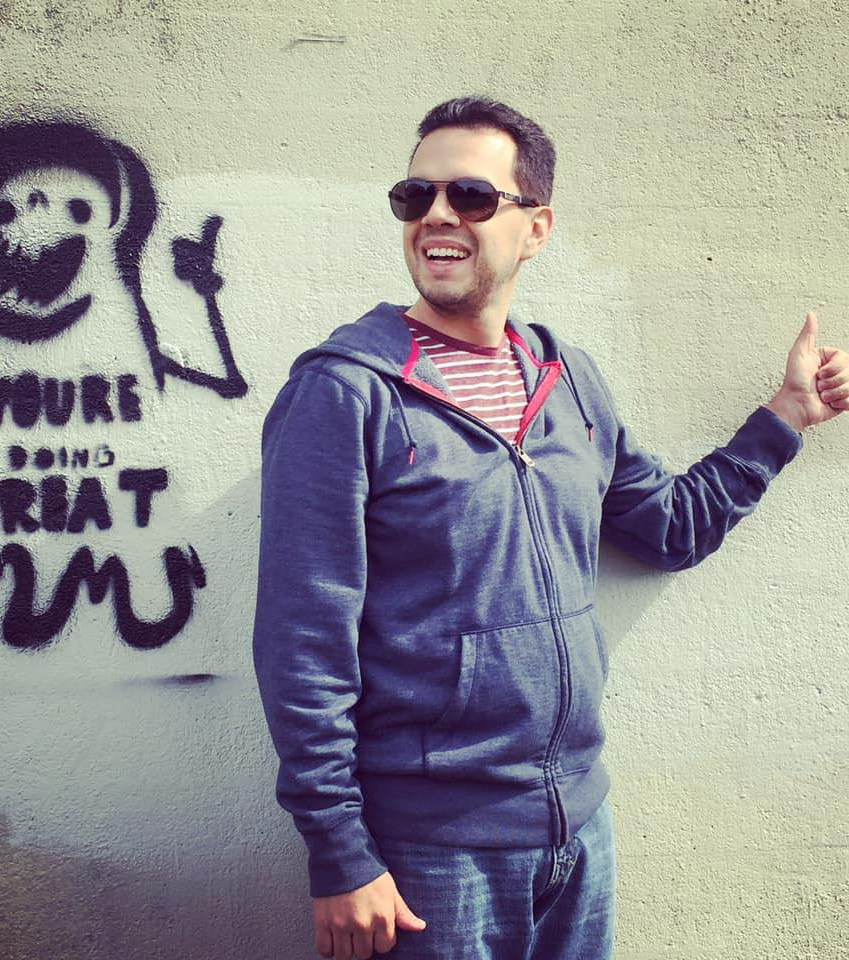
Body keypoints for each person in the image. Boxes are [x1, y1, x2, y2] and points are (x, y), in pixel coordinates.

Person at [252, 96, 849, 960]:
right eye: (415, 196)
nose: (437, 216)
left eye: (470, 195)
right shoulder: (345, 393)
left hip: (580, 829)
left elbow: (670, 529)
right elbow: (302, 640)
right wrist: (339, 851)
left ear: (536, 228)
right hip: (428, 853)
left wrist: (786, 416)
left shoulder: (568, 381)